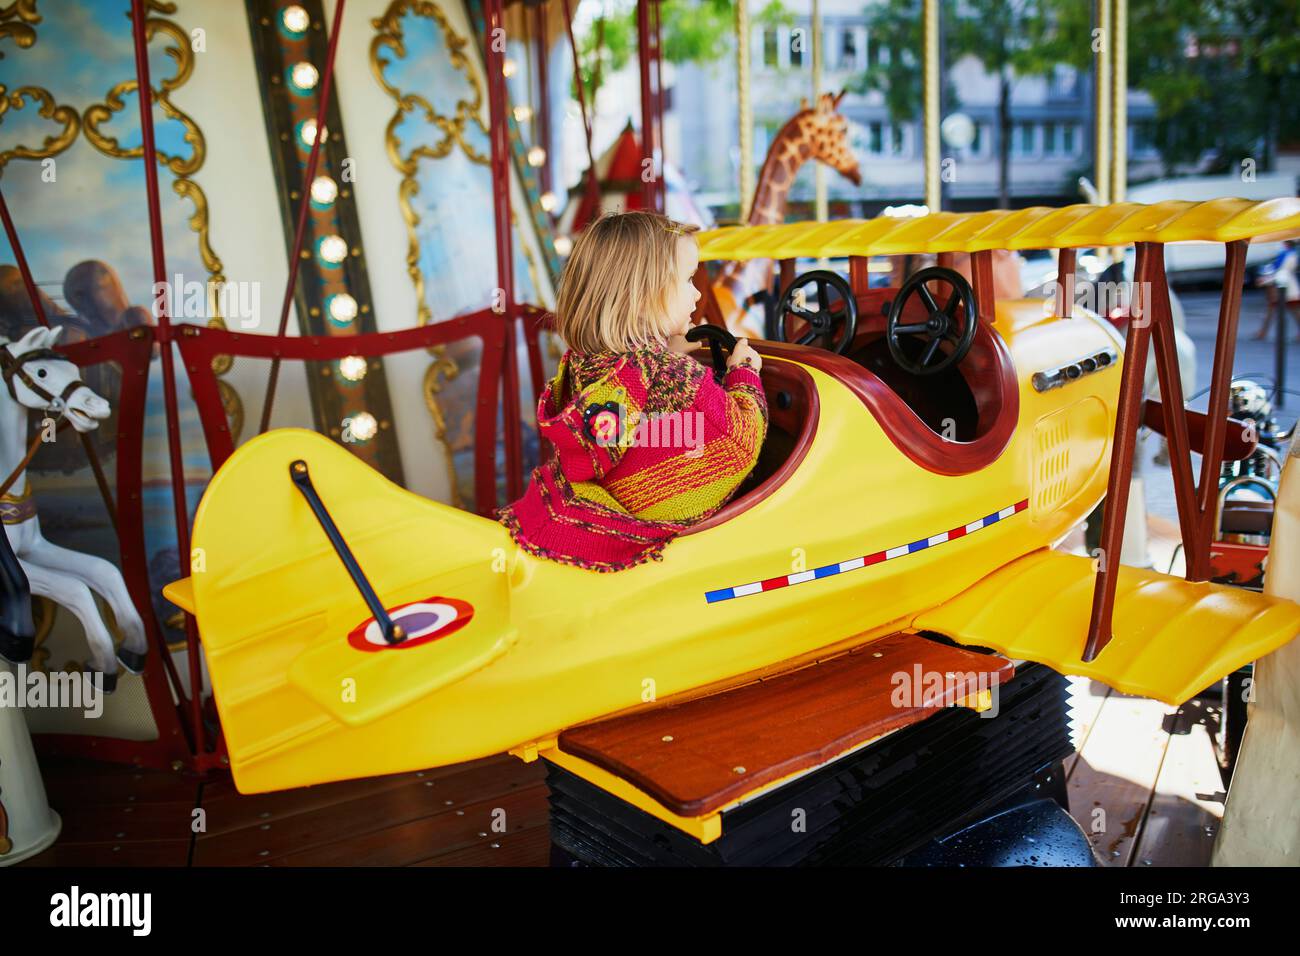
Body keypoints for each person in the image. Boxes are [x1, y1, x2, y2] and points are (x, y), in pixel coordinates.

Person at [496, 211, 768, 572]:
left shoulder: (587, 363)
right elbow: (740, 445)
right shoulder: (675, 378)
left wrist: (668, 351)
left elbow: (640, 417)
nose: (698, 292)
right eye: (688, 280)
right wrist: (744, 374)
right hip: (665, 557)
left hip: (595, 517)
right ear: (643, 294)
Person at [1253, 240, 1300, 341]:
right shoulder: (1287, 253)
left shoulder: (1288, 255)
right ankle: (1262, 332)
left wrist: (1265, 280)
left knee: (1292, 310)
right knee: (1277, 310)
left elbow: (1282, 271)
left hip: (1285, 287)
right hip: (1284, 286)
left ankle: (1262, 332)